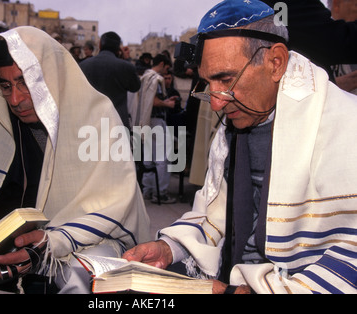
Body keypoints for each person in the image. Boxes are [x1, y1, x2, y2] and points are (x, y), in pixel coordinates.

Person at [123, 0, 357, 294]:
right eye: (209, 84)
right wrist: (169, 247)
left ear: (275, 62)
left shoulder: (345, 126)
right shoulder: (234, 126)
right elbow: (214, 214)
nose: (218, 102)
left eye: (226, 79)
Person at [0, 26, 150, 294]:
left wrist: (51, 243)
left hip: (79, 244)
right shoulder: (3, 122)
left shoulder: (99, 119)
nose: (15, 99)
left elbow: (113, 208)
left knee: (90, 270)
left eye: (25, 82)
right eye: (5, 85)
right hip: (16, 251)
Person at [131, 54, 178, 204]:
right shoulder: (156, 79)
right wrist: (168, 104)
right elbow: (155, 101)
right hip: (156, 121)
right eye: (167, 68)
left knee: (148, 159)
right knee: (162, 158)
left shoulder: (145, 77)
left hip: (145, 122)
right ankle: (161, 193)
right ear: (163, 64)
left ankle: (148, 190)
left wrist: (164, 101)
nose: (167, 71)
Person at [80, 32, 141, 130]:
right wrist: (126, 59)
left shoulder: (83, 66)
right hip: (117, 124)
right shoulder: (125, 66)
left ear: (100, 45)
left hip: (91, 124)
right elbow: (135, 87)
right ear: (118, 49)